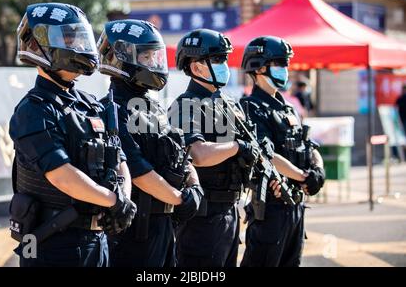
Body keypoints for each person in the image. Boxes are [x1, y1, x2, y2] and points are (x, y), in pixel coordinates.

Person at [9, 3, 136, 267]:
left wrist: (124, 198)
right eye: (69, 38)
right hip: (54, 243)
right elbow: (61, 175)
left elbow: (119, 156)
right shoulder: (33, 110)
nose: (78, 45)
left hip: (97, 240)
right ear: (39, 45)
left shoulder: (92, 104)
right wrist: (114, 201)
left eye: (80, 37)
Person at [169, 28, 284, 267]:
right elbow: (197, 154)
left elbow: (250, 150)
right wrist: (237, 147)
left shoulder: (229, 104)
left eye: (224, 58)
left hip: (230, 211)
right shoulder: (186, 105)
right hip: (202, 216)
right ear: (195, 66)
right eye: (216, 59)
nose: (224, 64)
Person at [97, 19, 203, 267]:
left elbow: (180, 153)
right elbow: (136, 169)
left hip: (165, 224)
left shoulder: (152, 107)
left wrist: (194, 186)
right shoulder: (112, 109)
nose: (154, 63)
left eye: (155, 56)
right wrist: (180, 198)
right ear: (122, 57)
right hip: (135, 230)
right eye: (146, 57)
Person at [240, 35, 326, 267]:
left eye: (286, 64)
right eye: (278, 64)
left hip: (297, 207)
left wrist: (318, 170)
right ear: (258, 68)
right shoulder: (251, 108)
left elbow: (309, 146)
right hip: (271, 209)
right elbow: (265, 155)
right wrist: (303, 176)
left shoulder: (288, 106)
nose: (285, 70)